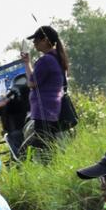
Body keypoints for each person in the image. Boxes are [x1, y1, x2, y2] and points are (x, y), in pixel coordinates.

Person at [22, 25, 68, 157]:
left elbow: (31, 83)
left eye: (36, 40)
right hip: (53, 109)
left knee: (43, 145)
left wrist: (27, 64)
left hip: (44, 111)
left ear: (45, 40)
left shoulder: (45, 60)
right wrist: (27, 62)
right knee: (49, 143)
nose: (34, 43)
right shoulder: (57, 57)